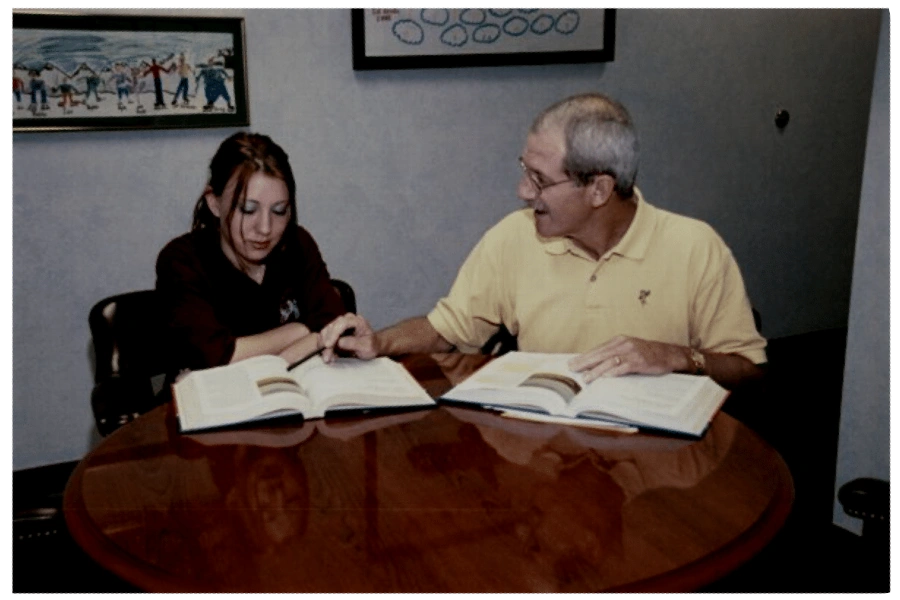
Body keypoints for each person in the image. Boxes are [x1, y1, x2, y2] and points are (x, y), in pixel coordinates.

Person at [321, 93, 766, 389]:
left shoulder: (695, 247)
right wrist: (380, 343)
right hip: (546, 463)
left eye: (539, 179)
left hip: (657, 472)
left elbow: (749, 369)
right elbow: (446, 329)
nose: (523, 191)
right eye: (524, 170)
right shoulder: (515, 237)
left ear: (598, 190)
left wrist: (678, 357)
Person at [156, 132, 345, 375]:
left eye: (279, 211)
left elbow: (335, 326)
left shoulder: (298, 243)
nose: (265, 228)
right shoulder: (182, 260)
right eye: (248, 209)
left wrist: (278, 357)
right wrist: (303, 331)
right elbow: (215, 358)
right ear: (214, 203)